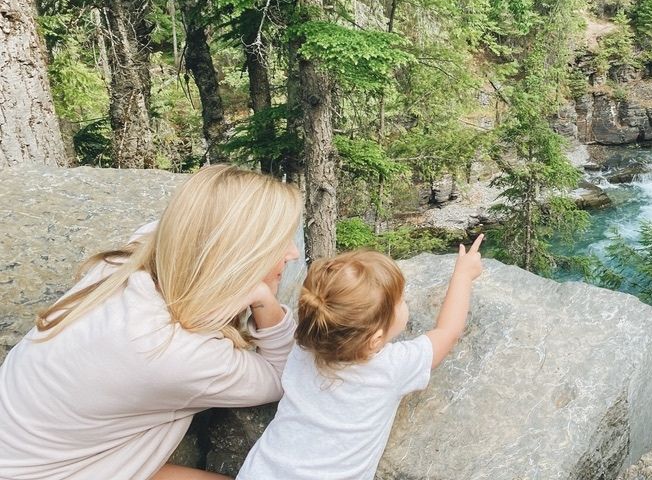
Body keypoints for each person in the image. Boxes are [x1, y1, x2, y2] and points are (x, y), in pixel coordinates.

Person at [0, 164, 303, 480]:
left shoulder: (130, 263)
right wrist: (264, 300)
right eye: (280, 241)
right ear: (239, 256)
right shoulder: (175, 354)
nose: (293, 253)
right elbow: (283, 375)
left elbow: (194, 230)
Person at [236, 234, 486, 480]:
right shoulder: (390, 368)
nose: (404, 302)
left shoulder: (303, 349)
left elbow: (277, 331)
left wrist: (260, 297)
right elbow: (447, 332)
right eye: (400, 300)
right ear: (375, 340)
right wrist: (463, 276)